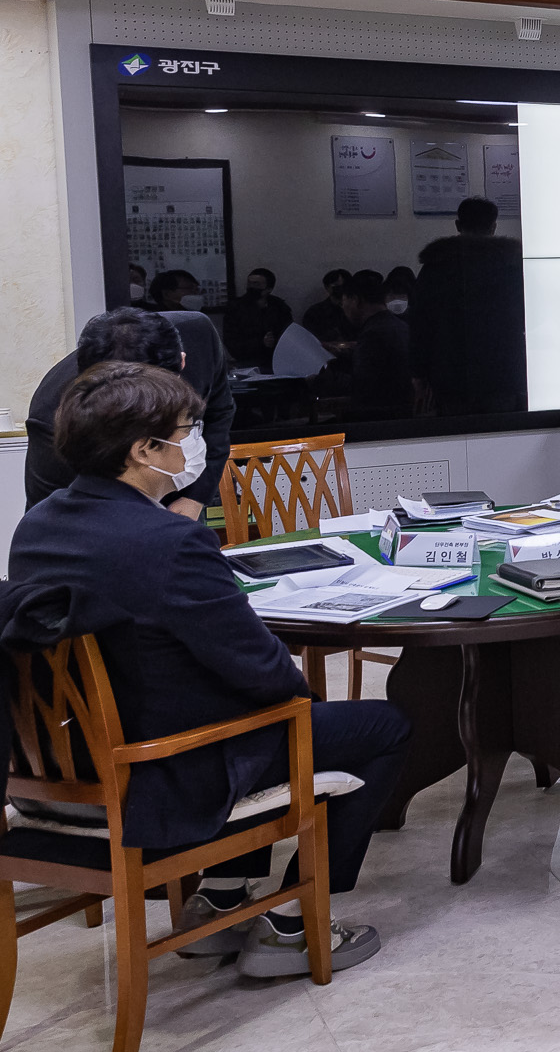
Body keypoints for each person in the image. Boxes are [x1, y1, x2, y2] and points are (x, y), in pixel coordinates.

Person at [7, 362, 408, 977]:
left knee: (252, 709)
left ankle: (219, 897)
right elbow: (268, 672)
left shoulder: (38, 525)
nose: (196, 444)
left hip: (71, 763)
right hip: (163, 768)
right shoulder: (168, 541)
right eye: (186, 431)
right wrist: (295, 695)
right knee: (383, 726)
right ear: (145, 450)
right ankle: (293, 925)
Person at [24, 306, 233, 517]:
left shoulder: (198, 336)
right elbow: (52, 520)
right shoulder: (53, 417)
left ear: (182, 362)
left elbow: (220, 414)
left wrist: (194, 498)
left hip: (178, 499)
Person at [409, 197, 527, 415]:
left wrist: (418, 374)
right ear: (493, 227)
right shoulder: (512, 267)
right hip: (503, 371)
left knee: (455, 435)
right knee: (503, 435)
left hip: (449, 371)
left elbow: (419, 323)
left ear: (458, 225)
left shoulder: (437, 267)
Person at [340, 270, 413, 420]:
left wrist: (322, 380)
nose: (343, 308)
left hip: (380, 418)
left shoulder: (373, 334)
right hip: (403, 413)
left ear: (355, 300)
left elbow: (364, 385)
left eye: (344, 302)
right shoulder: (399, 325)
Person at [221, 267, 293, 372]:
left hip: (276, 361)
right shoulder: (235, 308)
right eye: (250, 283)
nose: (252, 287)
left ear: (269, 288)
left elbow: (289, 334)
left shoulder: (279, 307)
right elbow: (231, 341)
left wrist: (275, 341)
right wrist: (260, 343)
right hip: (247, 362)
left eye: (257, 284)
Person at [301, 268, 355, 355]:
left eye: (345, 286)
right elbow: (311, 341)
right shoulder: (315, 312)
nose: (341, 290)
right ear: (327, 288)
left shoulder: (357, 310)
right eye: (337, 287)